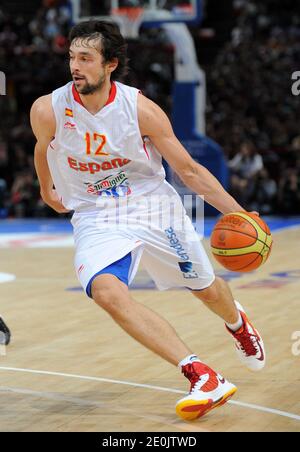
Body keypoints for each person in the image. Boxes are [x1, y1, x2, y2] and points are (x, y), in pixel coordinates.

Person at [30, 20, 265, 421]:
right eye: (72, 57)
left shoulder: (139, 109)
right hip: (96, 213)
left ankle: (236, 321)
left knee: (205, 289)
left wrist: (238, 213)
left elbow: (189, 171)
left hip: (152, 206)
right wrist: (45, 187)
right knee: (105, 291)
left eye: (86, 58)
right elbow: (43, 148)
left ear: (110, 65)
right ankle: (200, 373)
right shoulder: (47, 109)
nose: (75, 65)